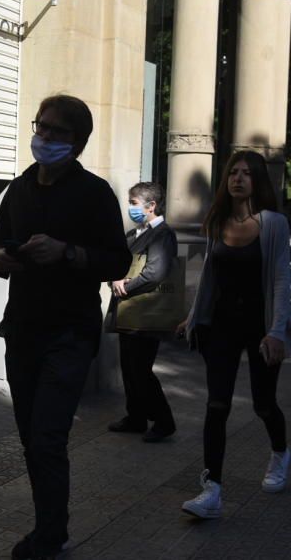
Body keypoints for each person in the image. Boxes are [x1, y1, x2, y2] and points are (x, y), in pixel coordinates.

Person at [0, 94, 131, 559]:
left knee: (48, 436)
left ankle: (51, 533)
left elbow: (118, 259)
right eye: (41, 127)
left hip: (70, 334)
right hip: (22, 330)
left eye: (57, 132)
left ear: (78, 142)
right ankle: (51, 525)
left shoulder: (94, 193)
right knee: (32, 437)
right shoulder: (19, 188)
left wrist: (67, 253)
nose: (44, 137)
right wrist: (3, 257)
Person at [177, 150, 291, 519]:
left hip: (260, 326)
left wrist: (276, 332)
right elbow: (209, 274)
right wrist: (193, 317)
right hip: (220, 326)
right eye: (233, 172)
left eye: (247, 173)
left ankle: (280, 453)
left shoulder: (273, 223)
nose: (238, 179)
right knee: (216, 405)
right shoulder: (217, 220)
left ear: (258, 181)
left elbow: (282, 281)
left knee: (263, 404)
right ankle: (212, 489)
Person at [107, 182, 179, 442]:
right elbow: (116, 264)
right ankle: (135, 418)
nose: (130, 208)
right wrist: (115, 278)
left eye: (134, 203)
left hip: (146, 313)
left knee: (141, 370)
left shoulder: (163, 234)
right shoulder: (133, 234)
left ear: (151, 206)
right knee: (129, 367)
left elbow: (155, 273)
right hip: (129, 312)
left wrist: (125, 285)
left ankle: (164, 421)